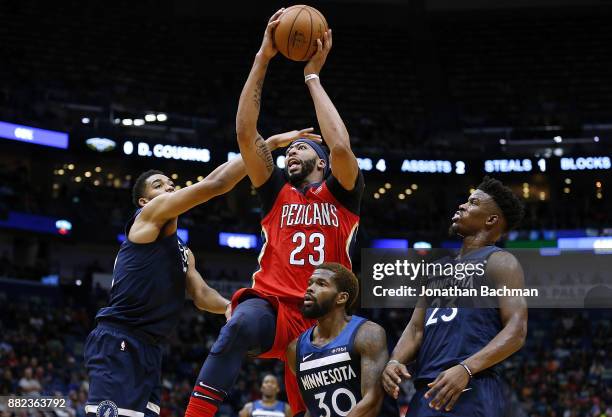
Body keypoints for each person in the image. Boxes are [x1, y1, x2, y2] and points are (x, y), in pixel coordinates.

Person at [185, 9, 364, 417]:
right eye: (290, 150)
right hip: (273, 306)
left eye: (301, 148)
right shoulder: (276, 193)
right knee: (239, 325)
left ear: (320, 162)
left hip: (325, 317)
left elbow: (340, 147)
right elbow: (247, 135)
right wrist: (263, 58)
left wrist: (312, 77)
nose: (291, 152)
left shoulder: (343, 196)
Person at [84, 129, 312, 417]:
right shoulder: (148, 217)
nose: (168, 188)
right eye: (158, 185)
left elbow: (202, 295)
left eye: (170, 183)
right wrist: (264, 147)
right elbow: (215, 183)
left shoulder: (183, 251)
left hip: (150, 348)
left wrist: (231, 307)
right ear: (145, 201)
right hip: (120, 337)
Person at [382, 176, 528, 416]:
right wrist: (394, 361)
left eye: (473, 203)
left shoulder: (500, 261)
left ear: (491, 220)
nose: (462, 205)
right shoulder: (437, 268)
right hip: (425, 390)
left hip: (471, 386)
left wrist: (466, 369)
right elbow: (416, 329)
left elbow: (516, 330)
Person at [286, 263, 387, 417]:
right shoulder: (295, 349)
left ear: (341, 298)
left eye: (321, 284)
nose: (310, 288)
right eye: (310, 283)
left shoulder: (367, 333)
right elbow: (312, 408)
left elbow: (372, 401)